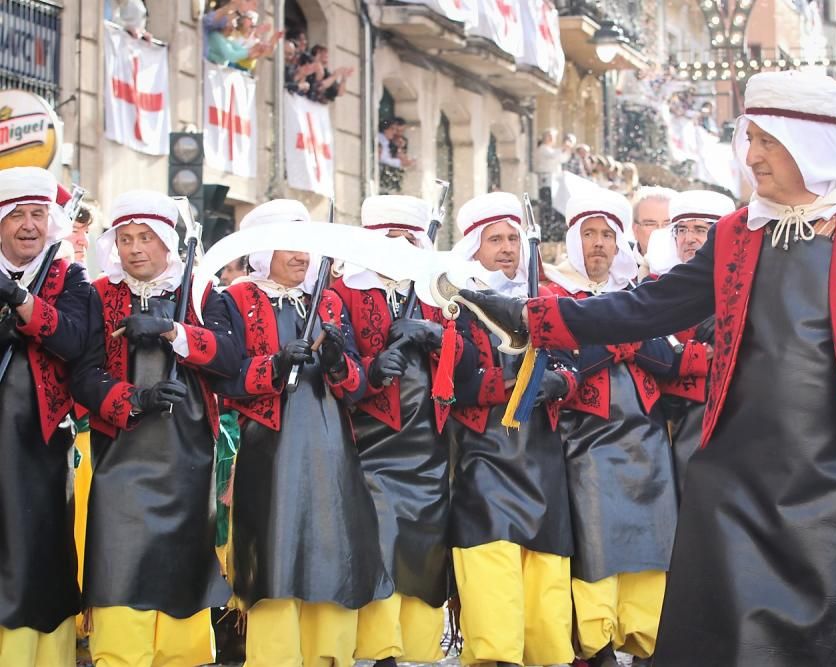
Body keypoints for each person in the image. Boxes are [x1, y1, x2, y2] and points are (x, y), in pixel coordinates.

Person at [459, 70, 836, 665]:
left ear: (806, 141)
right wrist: (530, 316)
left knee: (835, 638)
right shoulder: (738, 234)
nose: (751, 157)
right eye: (748, 141)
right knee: (729, 639)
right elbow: (645, 307)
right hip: (735, 475)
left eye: (765, 142)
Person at [216, 199, 392, 666]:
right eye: (290, 246)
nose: (302, 256)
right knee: (275, 556)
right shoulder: (235, 299)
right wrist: (272, 366)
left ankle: (329, 657)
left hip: (331, 448)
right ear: (261, 251)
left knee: (331, 551)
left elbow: (354, 385)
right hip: (270, 450)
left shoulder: (329, 300)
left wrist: (337, 362)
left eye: (307, 247)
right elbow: (225, 377)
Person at [71, 190, 238, 666]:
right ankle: (120, 656)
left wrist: (173, 332)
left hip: (187, 452)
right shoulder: (99, 294)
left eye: (146, 237)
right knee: (119, 556)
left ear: (167, 242)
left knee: (182, 560)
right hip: (120, 449)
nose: (135, 248)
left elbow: (229, 360)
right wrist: (134, 398)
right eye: (125, 239)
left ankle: (178, 657)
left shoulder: (201, 291)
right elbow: (83, 373)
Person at [543, 190, 687, 665]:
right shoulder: (554, 295)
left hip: (646, 440)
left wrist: (616, 336)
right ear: (573, 239)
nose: (599, 244)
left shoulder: (638, 297)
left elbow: (666, 359)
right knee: (597, 542)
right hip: (587, 440)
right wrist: (619, 338)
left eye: (607, 234)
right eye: (589, 234)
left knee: (652, 540)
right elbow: (563, 365)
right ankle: (598, 643)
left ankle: (646, 638)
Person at [334, 195, 467, 665]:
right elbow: (335, 361)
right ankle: (380, 647)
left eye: (406, 240)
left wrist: (434, 335)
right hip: (371, 437)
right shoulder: (342, 291)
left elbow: (470, 356)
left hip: (429, 437)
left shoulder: (440, 293)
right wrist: (370, 369)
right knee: (382, 535)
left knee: (423, 542)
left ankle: (421, 647)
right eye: (387, 240)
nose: (397, 249)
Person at [449, 192, 576, 666]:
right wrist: (507, 385)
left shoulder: (546, 299)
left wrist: (559, 381)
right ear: (474, 249)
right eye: (495, 239)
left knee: (544, 555)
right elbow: (452, 379)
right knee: (491, 549)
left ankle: (545, 654)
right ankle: (495, 656)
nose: (506, 248)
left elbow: (573, 364)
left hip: (540, 447)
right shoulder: (456, 303)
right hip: (483, 448)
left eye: (513, 238)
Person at [0, 167, 90, 666]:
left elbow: (74, 339)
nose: (29, 225)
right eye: (17, 215)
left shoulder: (68, 274)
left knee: (41, 551)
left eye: (38, 214)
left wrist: (20, 301)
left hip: (40, 437)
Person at [644, 189, 735, 493]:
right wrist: (697, 353)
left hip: (731, 416)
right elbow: (649, 347)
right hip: (670, 418)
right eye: (681, 230)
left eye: (700, 229)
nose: (688, 238)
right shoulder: (656, 285)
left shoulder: (744, 289)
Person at [630, 186, 676, 279]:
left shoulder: (689, 269)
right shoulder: (616, 270)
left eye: (668, 224)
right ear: (635, 230)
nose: (660, 231)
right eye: (650, 224)